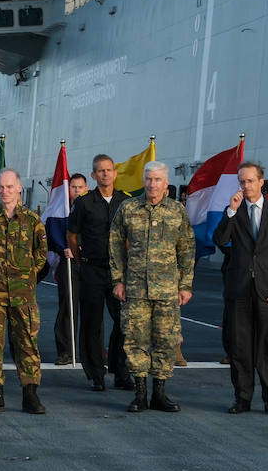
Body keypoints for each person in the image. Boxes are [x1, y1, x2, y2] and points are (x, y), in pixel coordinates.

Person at [212, 161, 268, 415]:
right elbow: (220, 240)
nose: (245, 186)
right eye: (242, 181)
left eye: (250, 181)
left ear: (261, 182)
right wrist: (230, 211)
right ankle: (242, 398)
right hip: (238, 289)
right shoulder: (233, 211)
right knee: (239, 348)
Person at [110, 161, 195, 414]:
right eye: (148, 179)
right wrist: (118, 279)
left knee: (166, 341)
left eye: (157, 179)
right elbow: (114, 242)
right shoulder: (129, 208)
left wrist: (186, 285)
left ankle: (159, 393)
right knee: (135, 340)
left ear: (166, 183)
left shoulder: (177, 211)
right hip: (135, 289)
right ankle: (140, 394)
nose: (152, 184)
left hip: (167, 290)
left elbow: (187, 248)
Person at [0, 168, 48, 414]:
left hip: (23, 295)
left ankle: (30, 395)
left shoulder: (32, 220)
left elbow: (41, 254)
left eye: (9, 187)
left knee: (27, 343)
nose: (5, 191)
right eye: (1, 187)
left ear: (19, 188)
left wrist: (25, 275)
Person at [67, 155, 132, 391]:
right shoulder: (84, 203)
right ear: (93, 175)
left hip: (118, 273)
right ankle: (96, 374)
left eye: (108, 170)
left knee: (124, 321)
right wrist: (80, 258)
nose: (105, 174)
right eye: (100, 171)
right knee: (92, 324)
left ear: (115, 173)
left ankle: (120, 370)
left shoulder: (126, 202)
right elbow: (72, 235)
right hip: (92, 268)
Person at [51, 173, 89, 370]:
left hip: (89, 262)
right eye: (73, 187)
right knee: (68, 305)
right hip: (68, 263)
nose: (76, 190)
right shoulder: (61, 209)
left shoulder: (92, 207)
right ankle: (66, 349)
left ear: (86, 188)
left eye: (80, 187)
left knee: (92, 307)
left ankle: (93, 349)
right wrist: (62, 248)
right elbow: (51, 235)